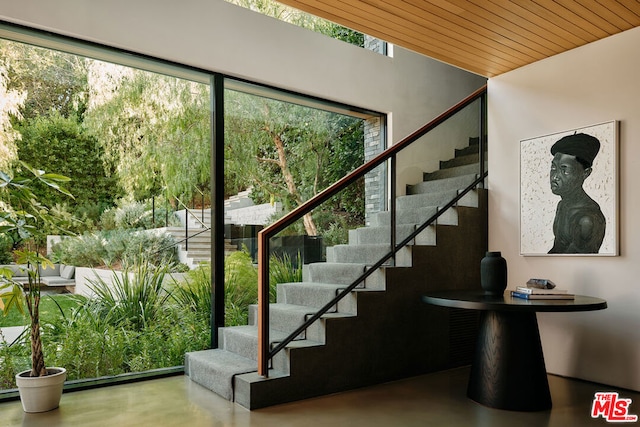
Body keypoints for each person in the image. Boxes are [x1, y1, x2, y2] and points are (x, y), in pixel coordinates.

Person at [548, 133, 605, 254]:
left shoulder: (586, 219)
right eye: (553, 168)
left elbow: (575, 262)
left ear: (586, 173)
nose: (555, 176)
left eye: (565, 170)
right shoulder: (563, 205)